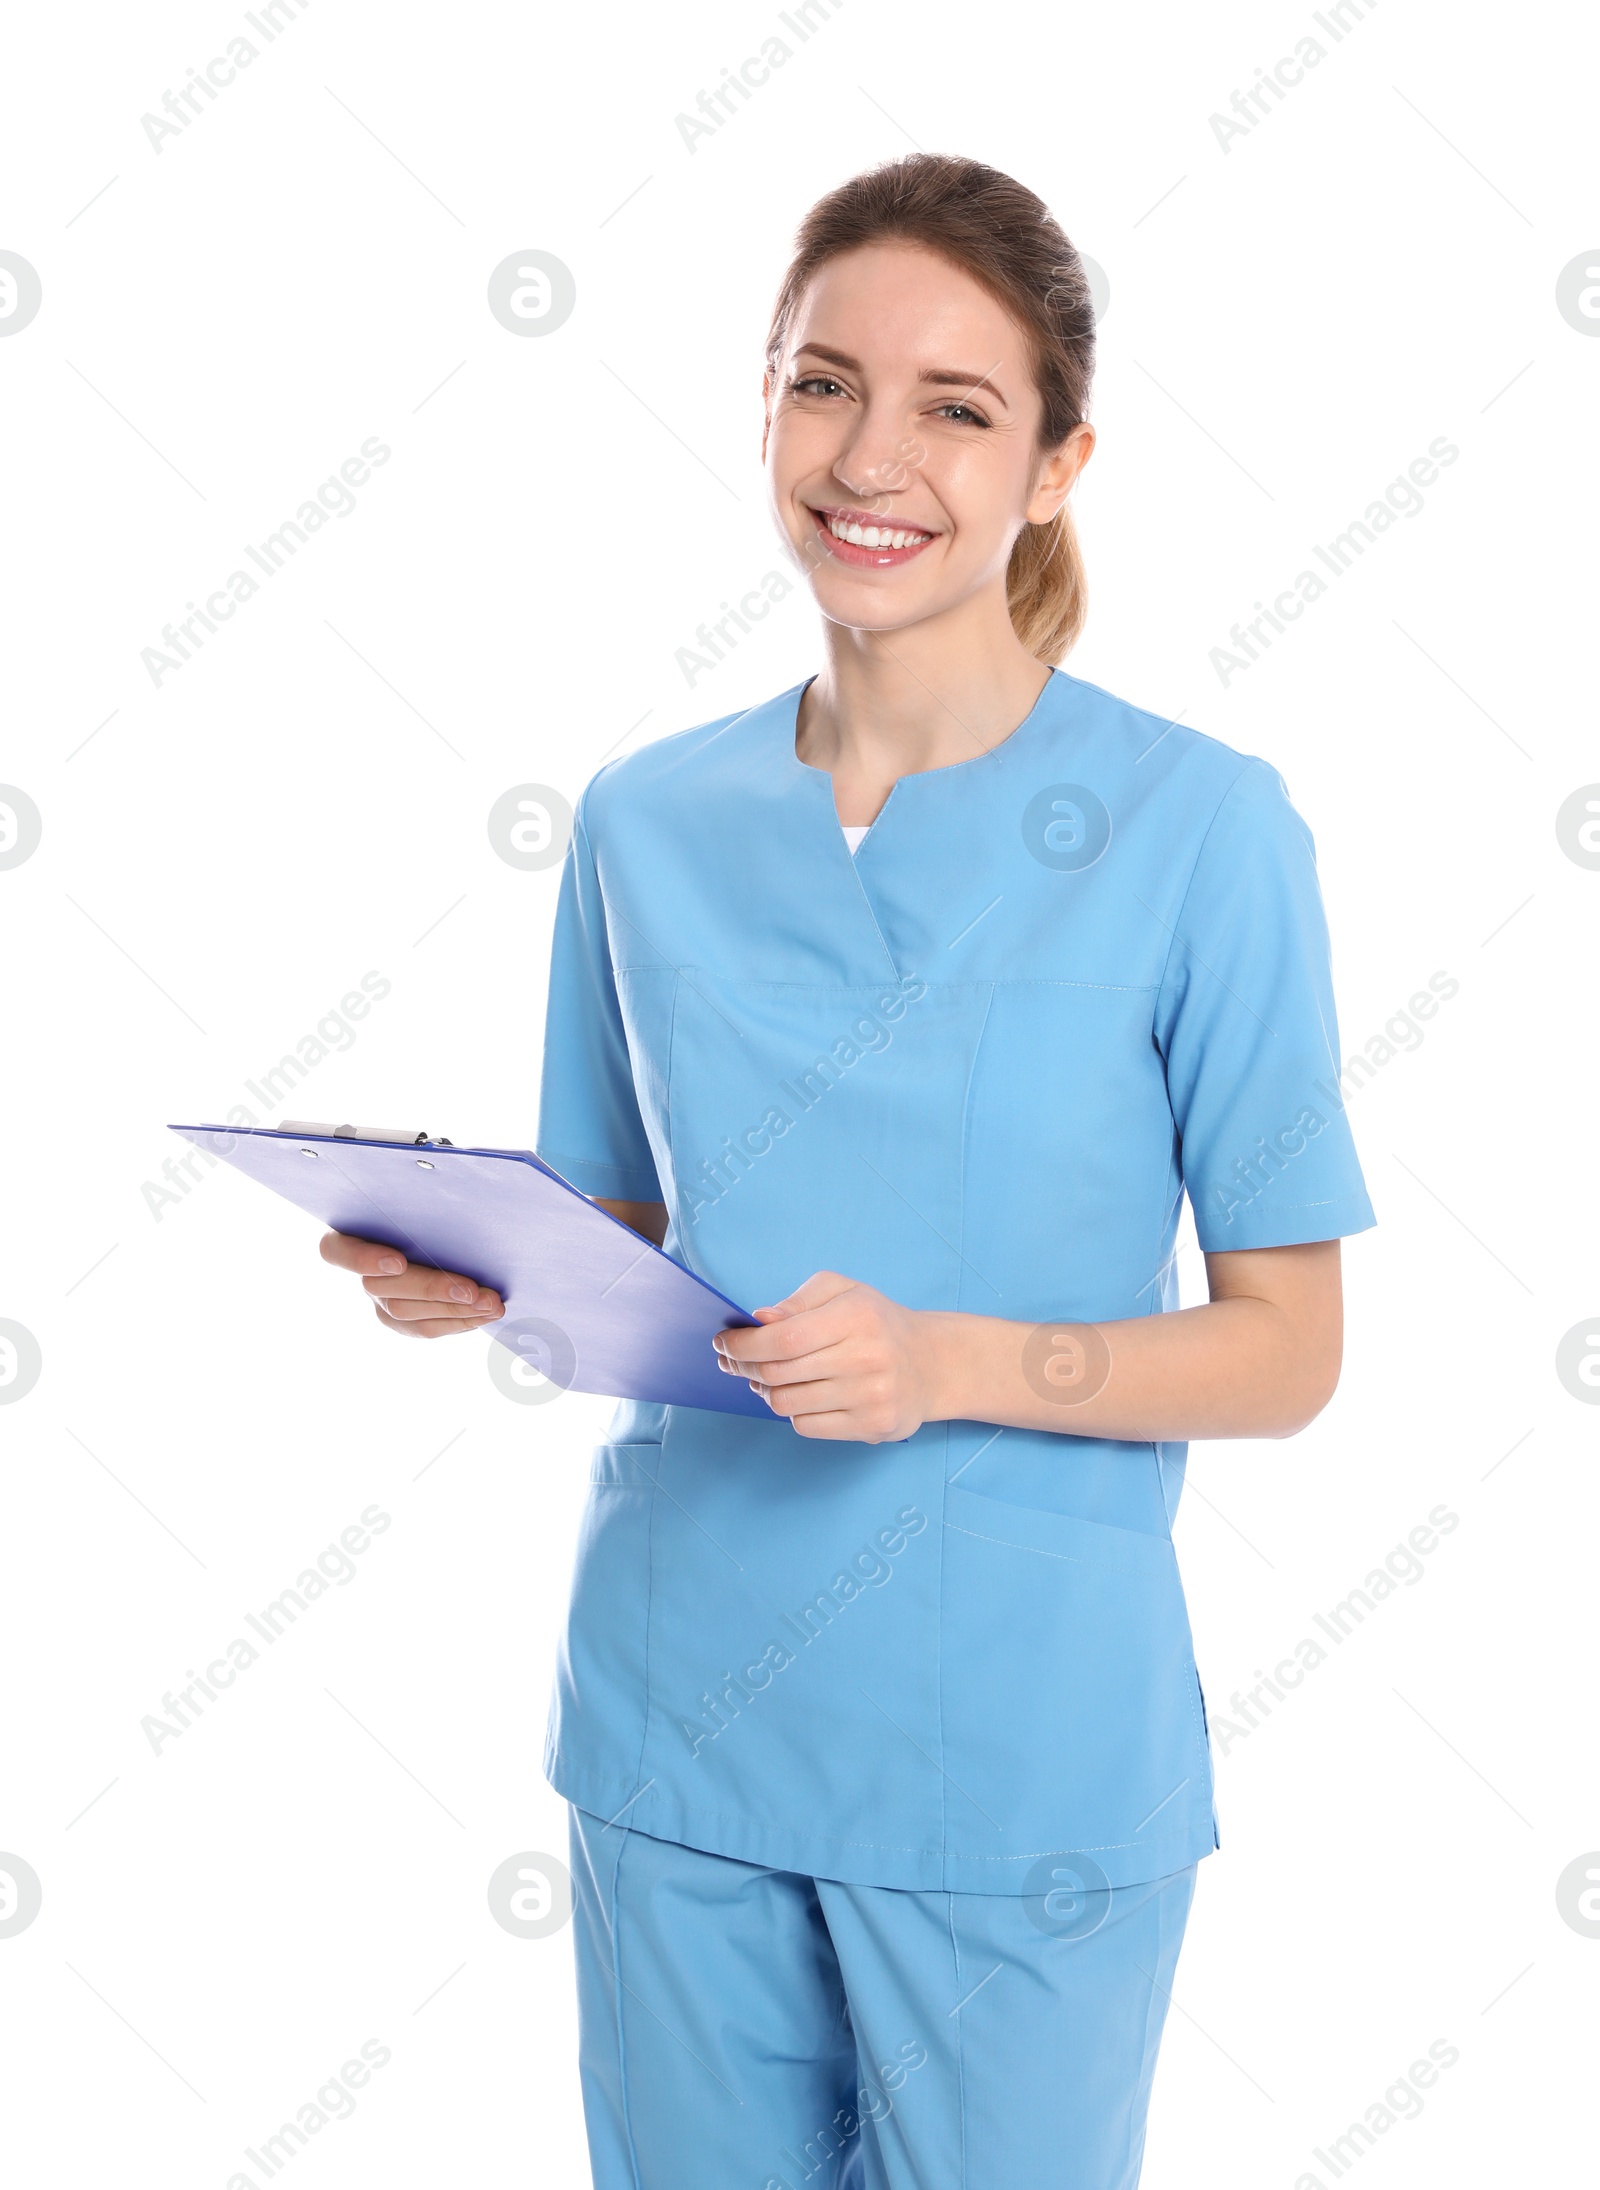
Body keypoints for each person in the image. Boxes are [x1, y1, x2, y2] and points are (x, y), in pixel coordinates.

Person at [321, 154, 1375, 2189]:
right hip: (676, 1720)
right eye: (821, 385)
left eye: (955, 408)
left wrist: (944, 1363)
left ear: (1056, 462)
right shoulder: (641, 819)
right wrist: (487, 1270)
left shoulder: (1199, 831)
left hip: (1020, 1776)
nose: (868, 454)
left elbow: (1287, 1350)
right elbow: (625, 1237)